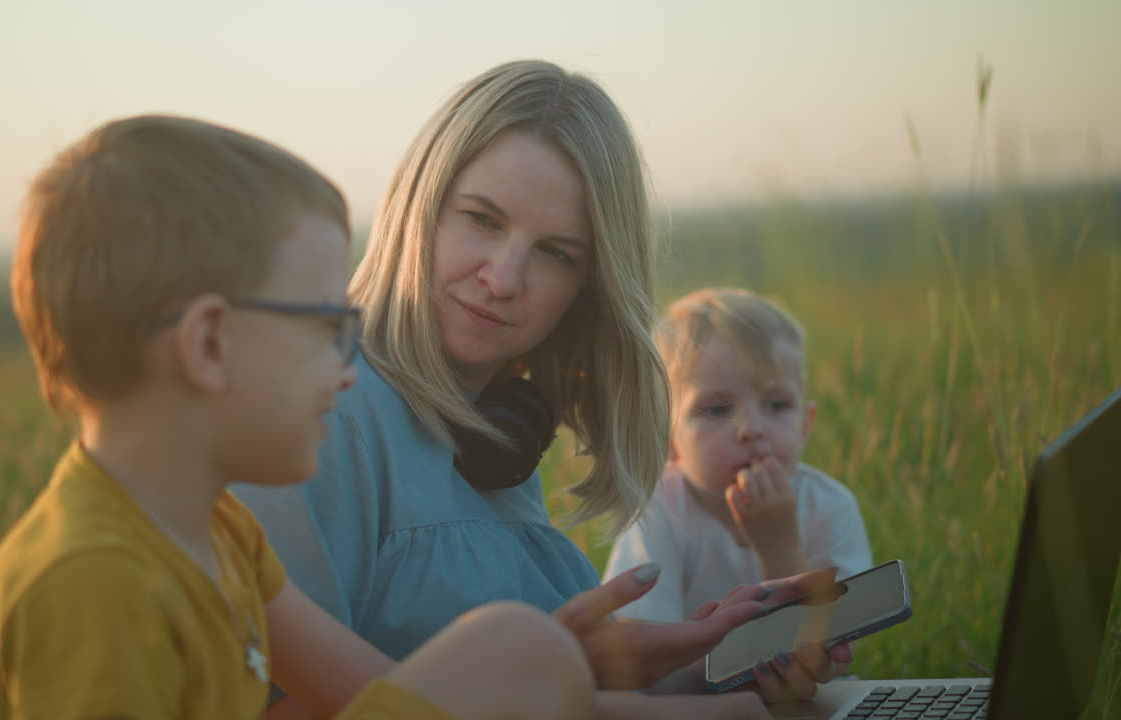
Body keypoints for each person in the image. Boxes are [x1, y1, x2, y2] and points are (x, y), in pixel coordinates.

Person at [234, 60, 849, 717]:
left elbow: (547, 697)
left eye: (556, 253)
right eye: (481, 219)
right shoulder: (323, 408)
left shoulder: (502, 440)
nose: (502, 279)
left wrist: (708, 671)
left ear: (589, 290)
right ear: (418, 206)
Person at [0, 114, 599, 720]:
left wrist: (554, 674)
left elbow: (373, 695)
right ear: (209, 345)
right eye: (324, 325)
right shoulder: (91, 584)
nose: (347, 368)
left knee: (516, 646)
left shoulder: (222, 532)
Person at [604, 288, 873, 625]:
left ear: (805, 425)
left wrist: (779, 549)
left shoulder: (829, 509)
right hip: (689, 663)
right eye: (717, 409)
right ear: (667, 438)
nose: (751, 429)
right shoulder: (659, 512)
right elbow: (640, 639)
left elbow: (831, 644)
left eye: (776, 405)